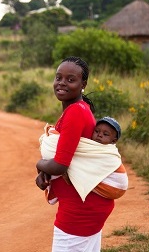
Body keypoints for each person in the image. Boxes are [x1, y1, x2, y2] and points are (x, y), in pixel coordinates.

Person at [35, 56, 115, 252]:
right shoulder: (78, 109)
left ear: (83, 85)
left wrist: (40, 164)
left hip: (79, 210)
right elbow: (68, 157)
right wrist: (47, 169)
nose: (62, 83)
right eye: (58, 77)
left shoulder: (75, 113)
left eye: (70, 79)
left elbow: (61, 165)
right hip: (85, 206)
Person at [40, 116, 128, 204]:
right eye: (97, 131)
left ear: (114, 140)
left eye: (105, 134)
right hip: (97, 199)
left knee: (71, 166)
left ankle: (68, 174)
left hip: (112, 188)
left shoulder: (109, 153)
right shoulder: (86, 146)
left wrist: (41, 165)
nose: (100, 135)